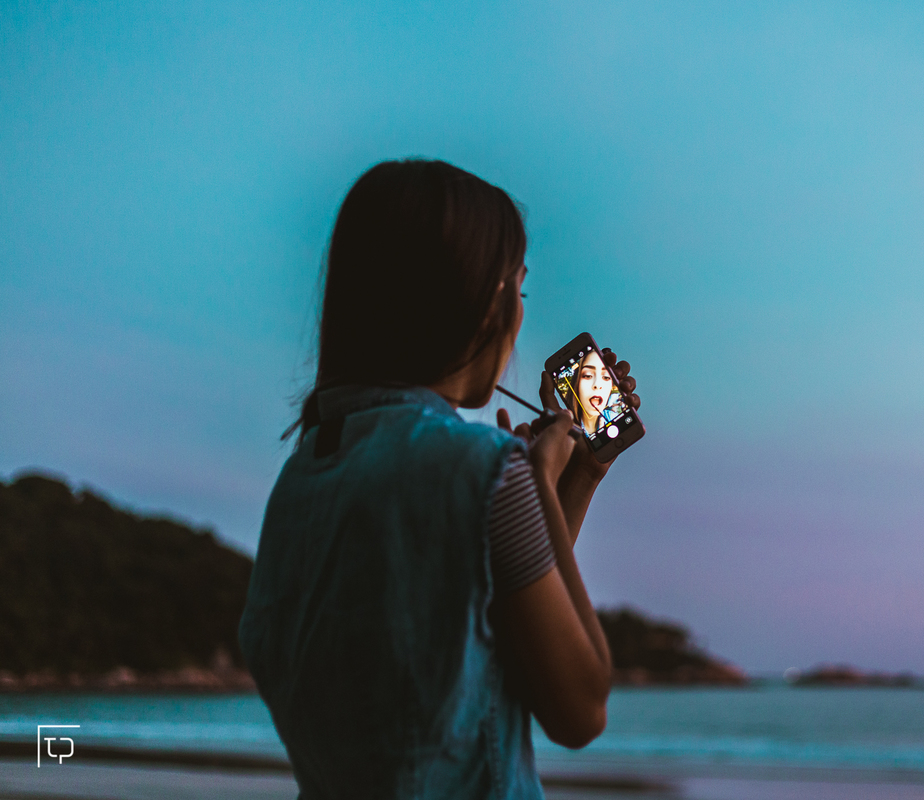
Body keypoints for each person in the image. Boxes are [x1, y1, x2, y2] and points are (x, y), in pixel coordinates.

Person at [238, 159, 640, 799]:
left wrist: (578, 477)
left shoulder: (304, 477)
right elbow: (581, 707)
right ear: (487, 303)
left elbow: (510, 632)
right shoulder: (484, 469)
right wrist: (535, 483)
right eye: (518, 291)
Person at [568, 349, 620, 436]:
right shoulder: (568, 430)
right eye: (588, 375)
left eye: (606, 377)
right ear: (576, 384)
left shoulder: (614, 418)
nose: (597, 384)